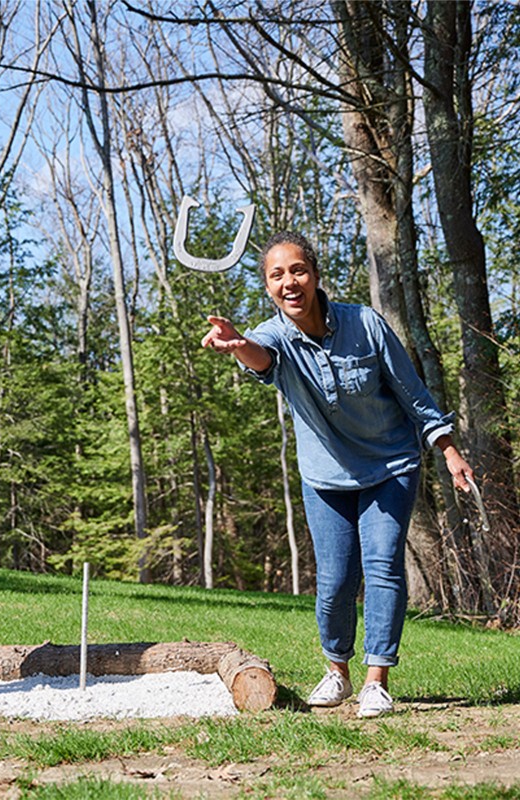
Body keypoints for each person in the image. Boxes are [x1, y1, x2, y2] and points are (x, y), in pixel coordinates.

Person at [202, 231, 472, 718]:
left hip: (390, 466)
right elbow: (260, 358)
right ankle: (338, 672)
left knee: (383, 564)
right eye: (277, 274)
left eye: (298, 270)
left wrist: (448, 449)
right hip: (326, 477)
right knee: (334, 581)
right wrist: (236, 344)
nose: (289, 281)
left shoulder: (365, 324)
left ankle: (376, 680)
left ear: (315, 275)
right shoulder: (273, 336)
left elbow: (413, 392)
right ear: (267, 286)